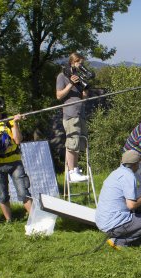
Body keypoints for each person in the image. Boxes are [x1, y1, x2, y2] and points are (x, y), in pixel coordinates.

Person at [95, 150, 141, 249]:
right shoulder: (129, 176)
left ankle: (118, 234)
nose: (139, 166)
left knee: (138, 211)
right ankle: (119, 241)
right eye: (139, 163)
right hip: (112, 224)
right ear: (134, 164)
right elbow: (131, 205)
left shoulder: (116, 173)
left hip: (101, 221)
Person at [56, 52, 89, 182]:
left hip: (80, 113)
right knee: (71, 142)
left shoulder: (79, 76)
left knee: (79, 143)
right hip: (70, 114)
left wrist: (85, 92)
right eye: (79, 63)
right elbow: (59, 96)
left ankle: (75, 169)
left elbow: (83, 98)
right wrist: (70, 84)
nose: (81, 66)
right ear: (72, 62)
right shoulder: (62, 76)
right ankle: (71, 171)